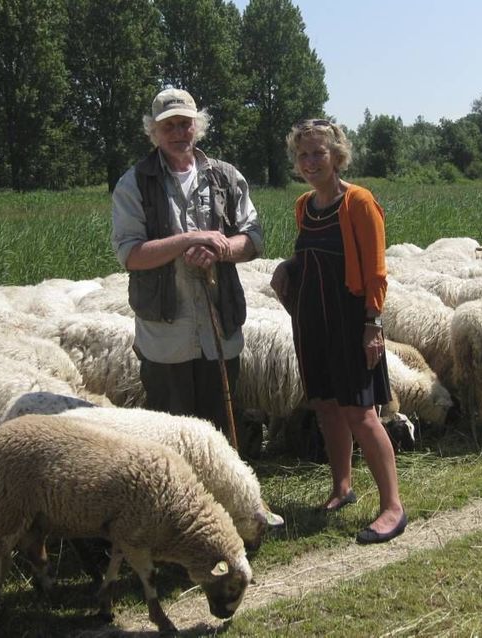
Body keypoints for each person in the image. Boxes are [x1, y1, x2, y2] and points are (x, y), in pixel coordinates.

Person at [270, 119, 406, 544]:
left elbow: (376, 273)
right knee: (326, 407)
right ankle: (342, 488)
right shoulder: (304, 206)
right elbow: (309, 256)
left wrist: (373, 325)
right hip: (311, 320)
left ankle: (392, 508)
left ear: (337, 155)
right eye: (303, 154)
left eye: (318, 153)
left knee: (361, 414)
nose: (310, 162)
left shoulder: (359, 202)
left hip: (351, 321)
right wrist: (285, 269)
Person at [111, 87, 262, 433]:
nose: (179, 133)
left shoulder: (226, 177)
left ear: (198, 126)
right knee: (172, 439)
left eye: (185, 124)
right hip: (166, 340)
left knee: (219, 436)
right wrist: (190, 240)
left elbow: (253, 239)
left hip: (219, 333)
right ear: (154, 131)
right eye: (169, 126)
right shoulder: (134, 184)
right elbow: (131, 255)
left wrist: (220, 249)